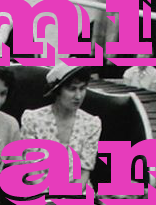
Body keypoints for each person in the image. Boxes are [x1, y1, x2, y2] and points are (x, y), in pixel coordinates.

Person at [20, 62, 102, 190]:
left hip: (78, 193)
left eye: (82, 88)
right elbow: (32, 169)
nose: (78, 96)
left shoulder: (92, 123)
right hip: (38, 192)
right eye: (72, 89)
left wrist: (69, 197)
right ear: (57, 91)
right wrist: (47, 197)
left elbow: (84, 171)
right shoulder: (32, 119)